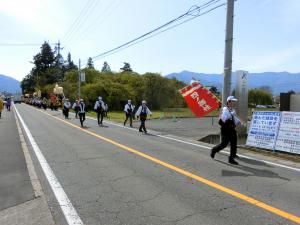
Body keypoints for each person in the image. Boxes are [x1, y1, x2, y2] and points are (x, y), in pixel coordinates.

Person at [210, 96, 241, 165]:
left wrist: (238, 121)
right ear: (229, 102)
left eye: (234, 101)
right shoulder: (225, 109)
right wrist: (230, 114)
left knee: (234, 144)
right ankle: (214, 150)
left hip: (232, 129)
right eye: (233, 101)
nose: (234, 102)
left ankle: (231, 158)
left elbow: (234, 119)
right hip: (225, 130)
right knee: (224, 144)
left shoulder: (232, 110)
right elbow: (223, 120)